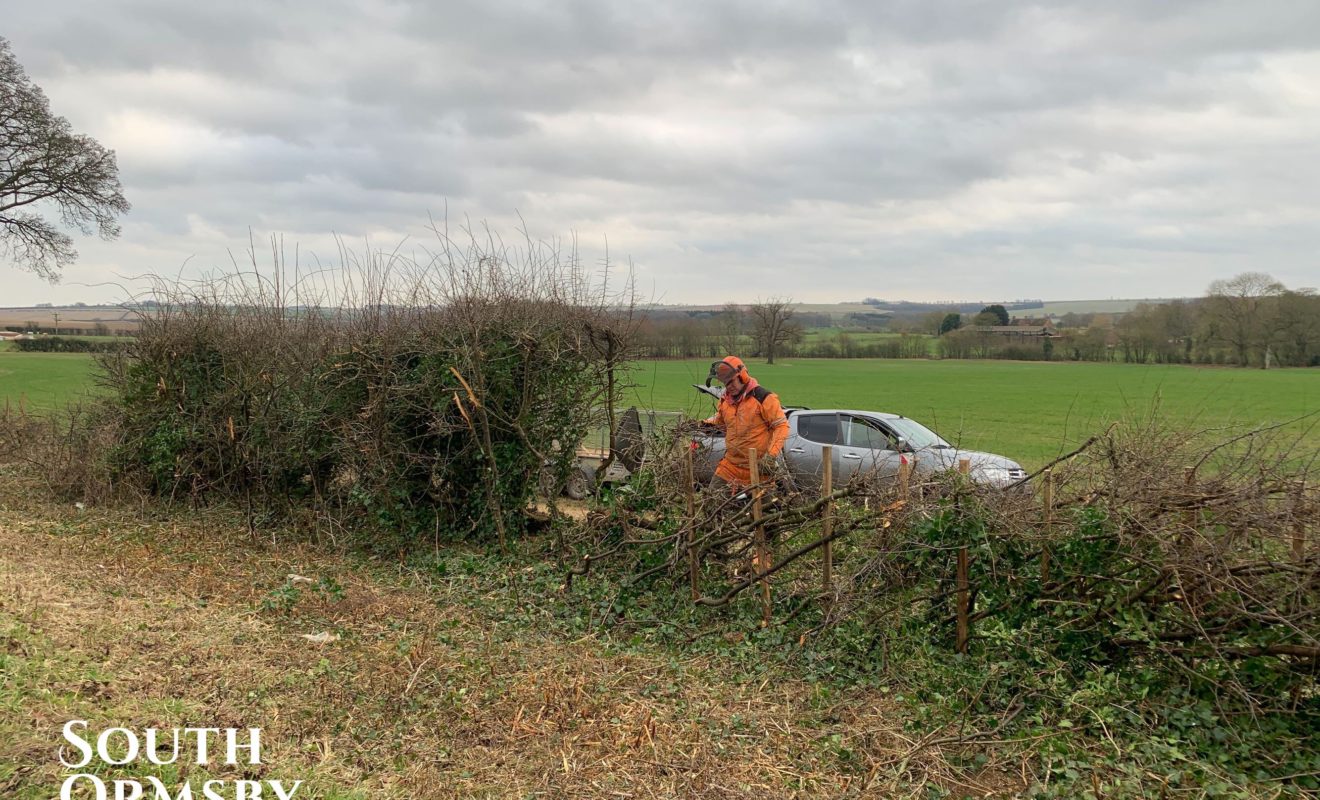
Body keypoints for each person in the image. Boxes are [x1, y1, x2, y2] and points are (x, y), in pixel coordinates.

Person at [702, 356, 790, 492]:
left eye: (731, 382)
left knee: (764, 508)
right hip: (730, 466)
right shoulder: (725, 401)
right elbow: (721, 422)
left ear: (742, 376)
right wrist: (704, 425)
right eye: (725, 384)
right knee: (712, 500)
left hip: (758, 467)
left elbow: (781, 426)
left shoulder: (763, 398)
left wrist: (771, 456)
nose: (728, 387)